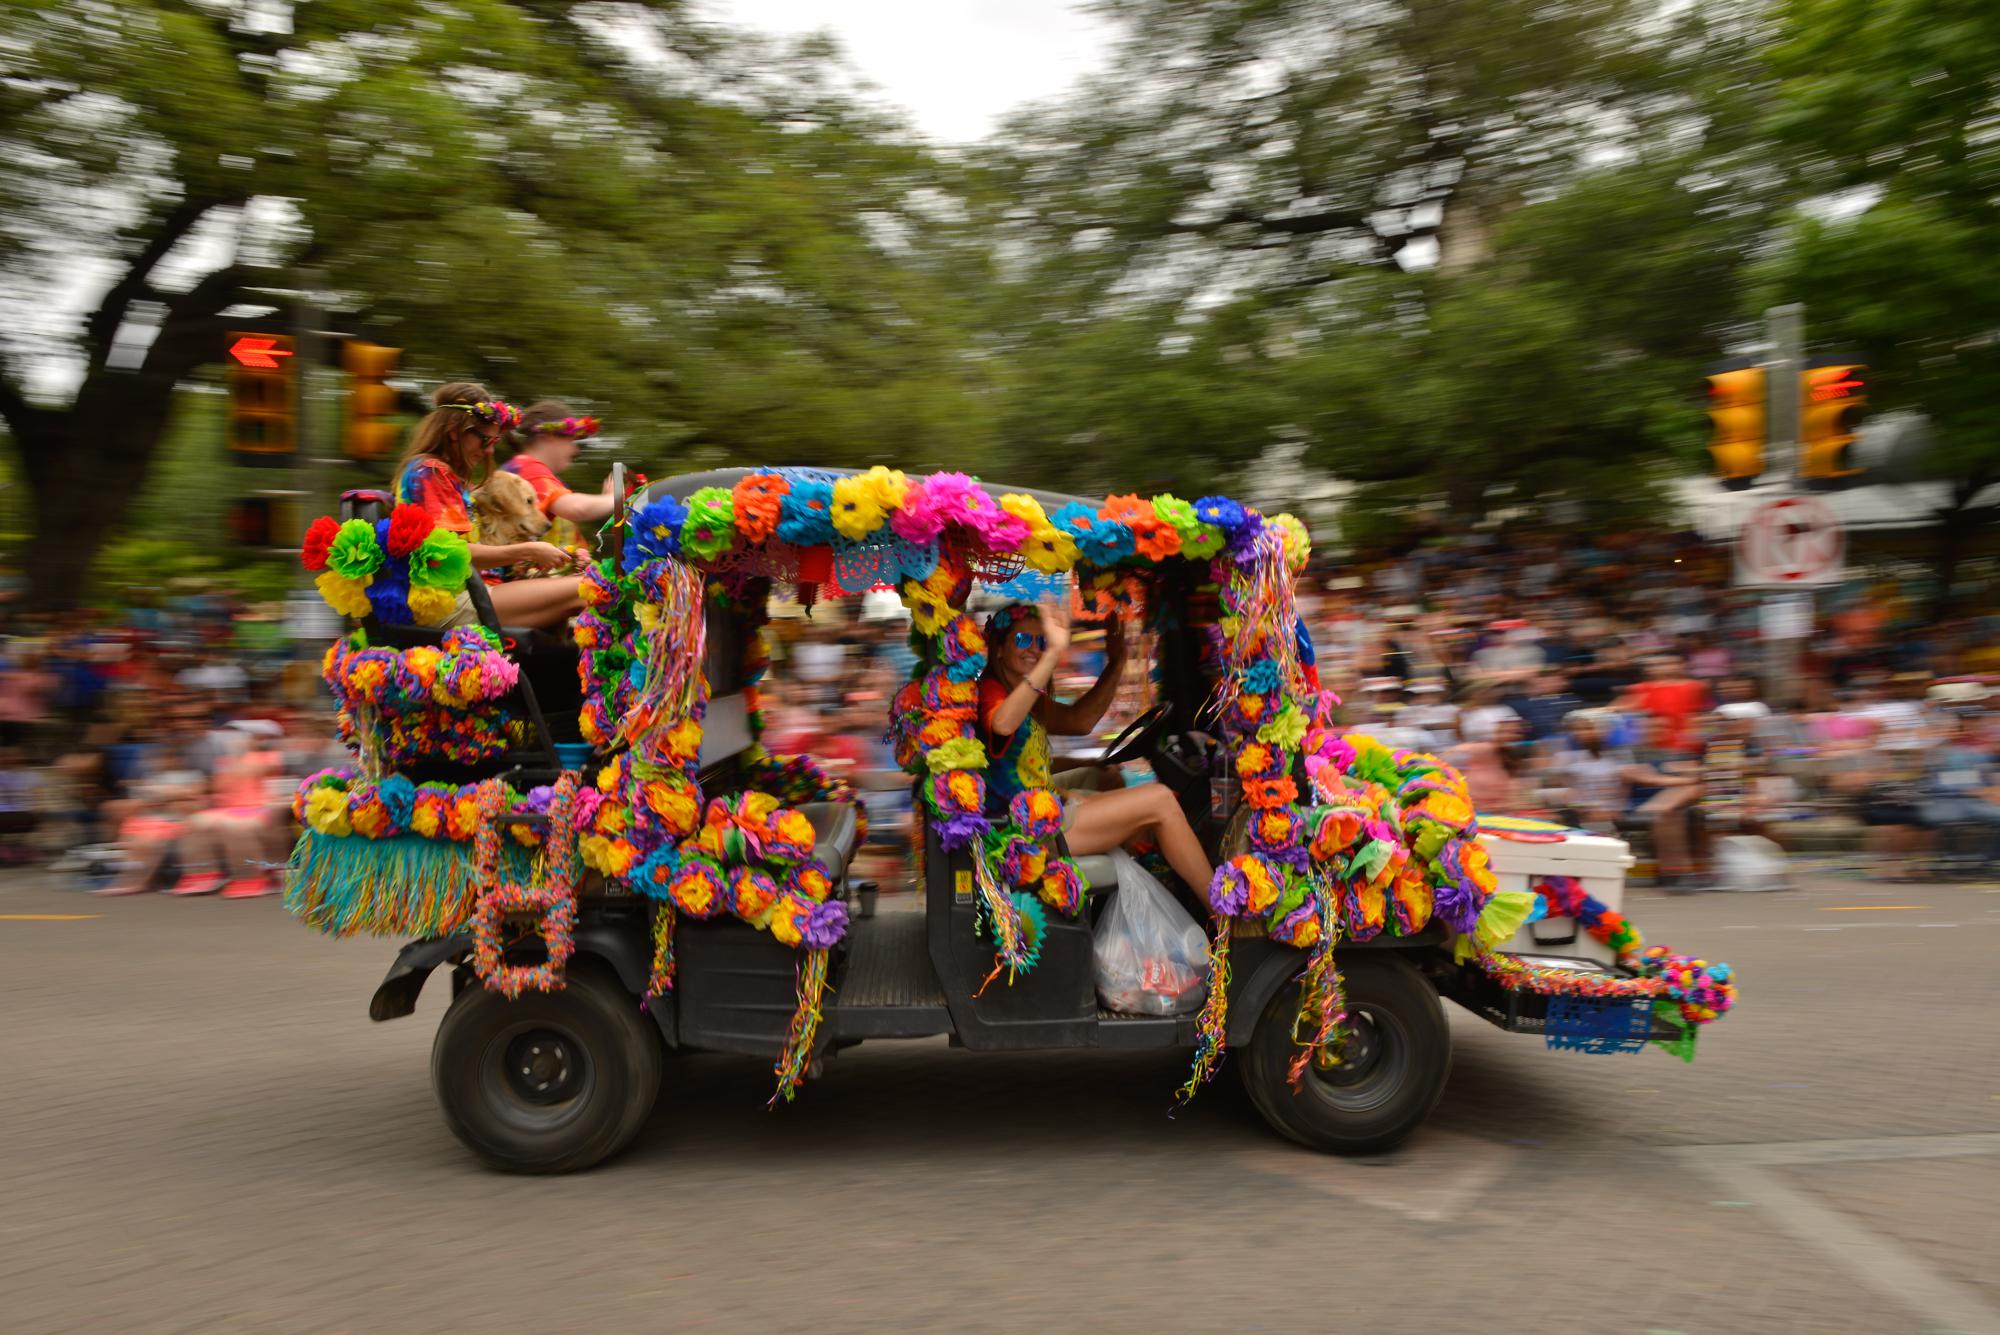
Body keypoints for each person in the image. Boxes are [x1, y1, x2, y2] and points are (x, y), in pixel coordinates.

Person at [980, 600, 1213, 902]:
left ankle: (1143, 913)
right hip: (1025, 835)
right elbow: (1001, 725)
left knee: (1113, 780)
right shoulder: (991, 691)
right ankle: (1223, 920)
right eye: (1023, 640)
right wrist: (1052, 654)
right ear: (999, 648)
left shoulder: (1020, 693)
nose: (1033, 649)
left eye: (1041, 641)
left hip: (1037, 814)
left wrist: (1116, 662)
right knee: (1161, 801)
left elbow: (1079, 721)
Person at [394, 383, 581, 630]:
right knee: (590, 588)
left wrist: (541, 562)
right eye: (485, 440)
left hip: (474, 592)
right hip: (450, 603)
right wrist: (529, 551)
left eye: (494, 440)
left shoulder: (446, 478)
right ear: (453, 430)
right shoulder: (430, 472)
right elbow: (451, 556)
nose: (490, 449)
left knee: (577, 599)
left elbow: (469, 553)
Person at [502, 401, 618, 551]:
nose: (575, 450)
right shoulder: (527, 468)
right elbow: (577, 508)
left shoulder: (528, 469)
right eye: (571, 440)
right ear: (549, 436)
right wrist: (614, 498)